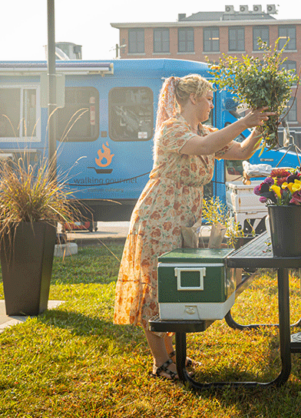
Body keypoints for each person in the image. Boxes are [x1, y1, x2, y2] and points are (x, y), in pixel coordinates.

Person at [113, 74, 271, 381]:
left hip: (182, 216)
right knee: (155, 286)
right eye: (209, 98)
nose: (212, 104)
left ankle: (172, 356)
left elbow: (241, 152)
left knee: (171, 284)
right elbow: (208, 145)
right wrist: (243, 122)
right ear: (193, 98)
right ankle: (160, 362)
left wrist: (259, 127)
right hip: (158, 216)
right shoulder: (172, 128)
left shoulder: (204, 130)